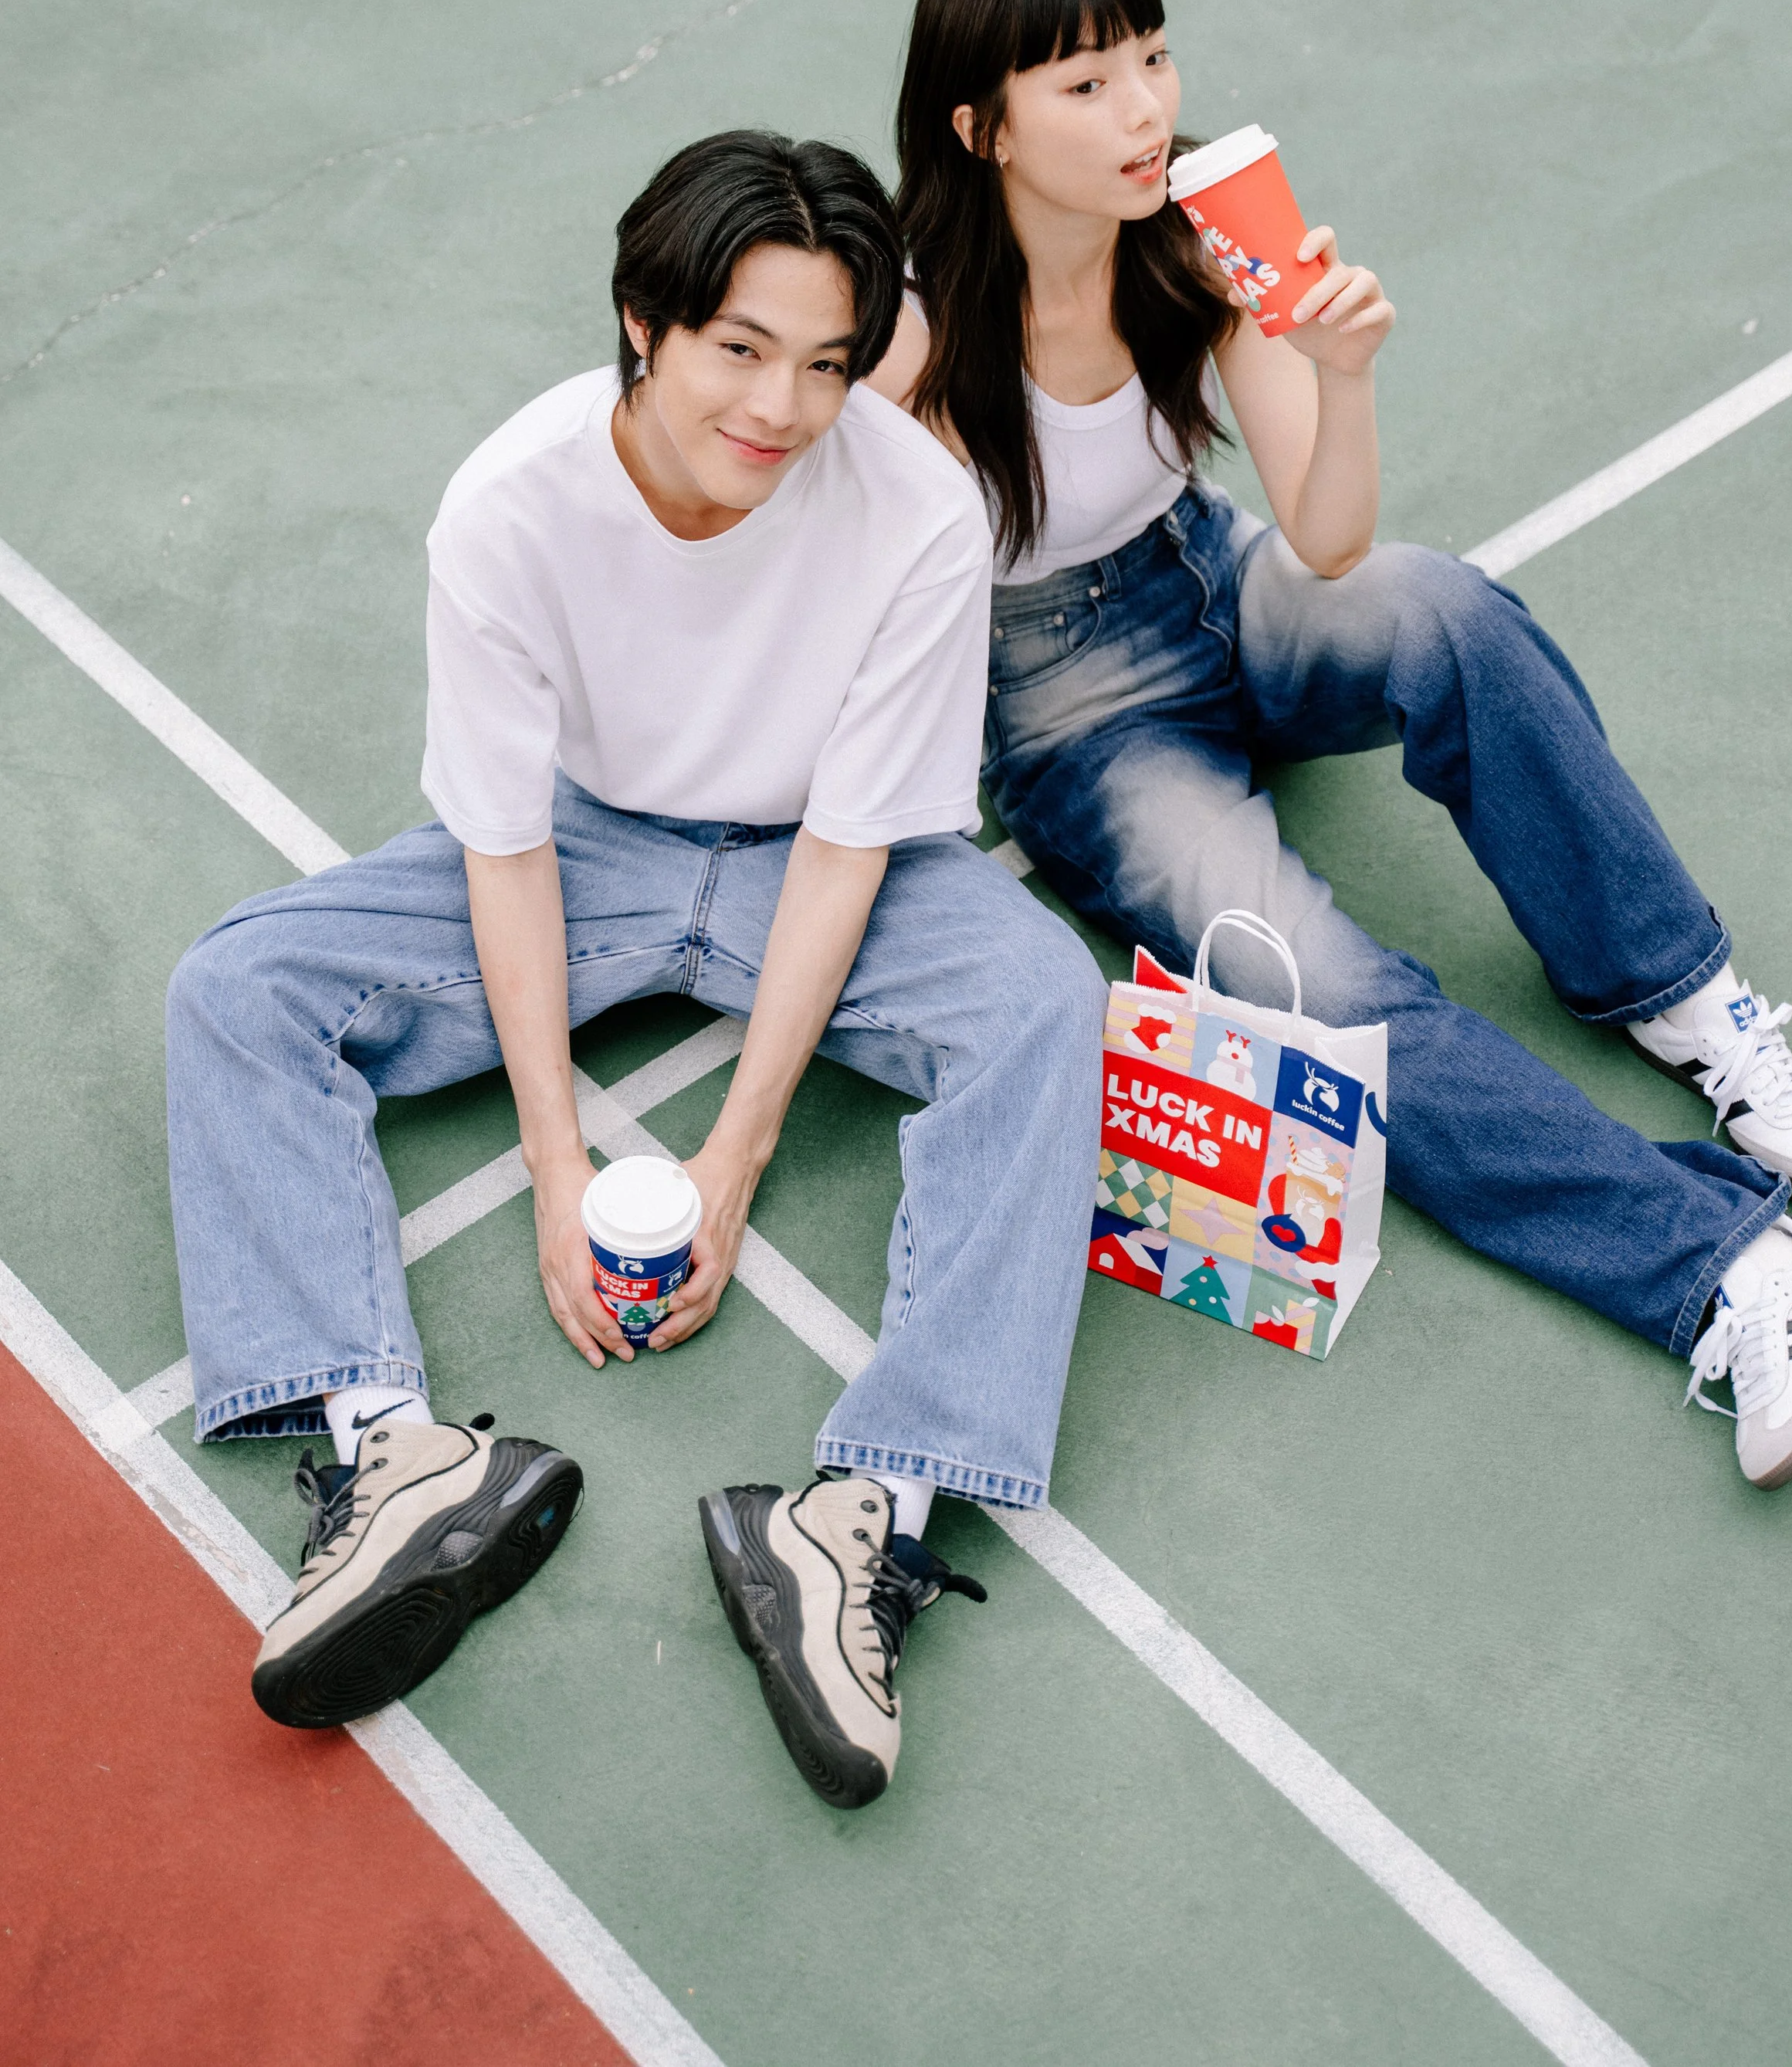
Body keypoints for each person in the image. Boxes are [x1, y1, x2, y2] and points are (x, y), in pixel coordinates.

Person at [869, 0, 1792, 1492]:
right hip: (1071, 714)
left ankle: (1676, 994)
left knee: (1441, 605)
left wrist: (1335, 369)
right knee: (1313, 986)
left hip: (1213, 579)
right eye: (1083, 83)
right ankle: (1731, 1270)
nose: (1141, 107)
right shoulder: (909, 335)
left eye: (1150, 58)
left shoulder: (1197, 225)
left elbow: (1325, 542)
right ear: (977, 126)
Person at [167, 130, 1105, 1803]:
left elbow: (848, 848)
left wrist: (730, 1162)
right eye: (739, 349)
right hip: (587, 848)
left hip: (816, 862)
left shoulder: (915, 515)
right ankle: (388, 1455)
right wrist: (554, 1165)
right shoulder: (507, 509)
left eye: (825, 364)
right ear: (642, 320)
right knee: (238, 990)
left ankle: (857, 1518)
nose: (779, 408)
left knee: (1042, 1007)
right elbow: (504, 847)